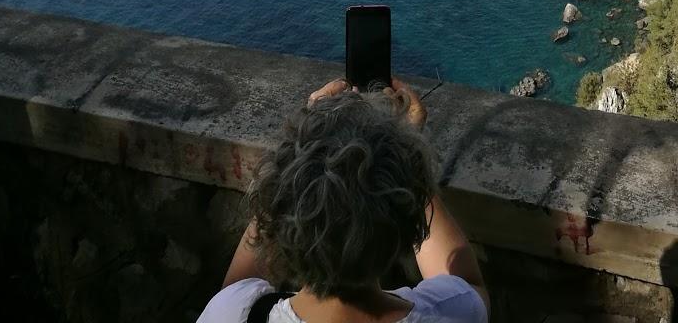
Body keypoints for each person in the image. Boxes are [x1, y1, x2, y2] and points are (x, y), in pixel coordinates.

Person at [197, 77, 488, 323]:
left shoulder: (236, 313)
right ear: (406, 225)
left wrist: (304, 140)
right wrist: (407, 155)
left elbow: (234, 291)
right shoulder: (448, 314)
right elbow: (467, 282)